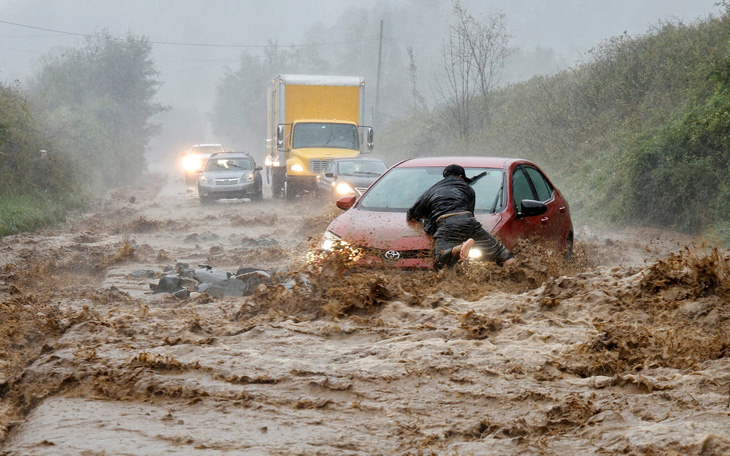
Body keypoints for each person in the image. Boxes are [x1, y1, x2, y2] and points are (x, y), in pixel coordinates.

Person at [406, 164, 516, 269]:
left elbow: (412, 214)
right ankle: (517, 277)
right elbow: (470, 213)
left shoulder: (431, 190)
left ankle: (460, 248)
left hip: (445, 224)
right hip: (468, 220)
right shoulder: (468, 189)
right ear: (460, 176)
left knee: (439, 260)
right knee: (503, 253)